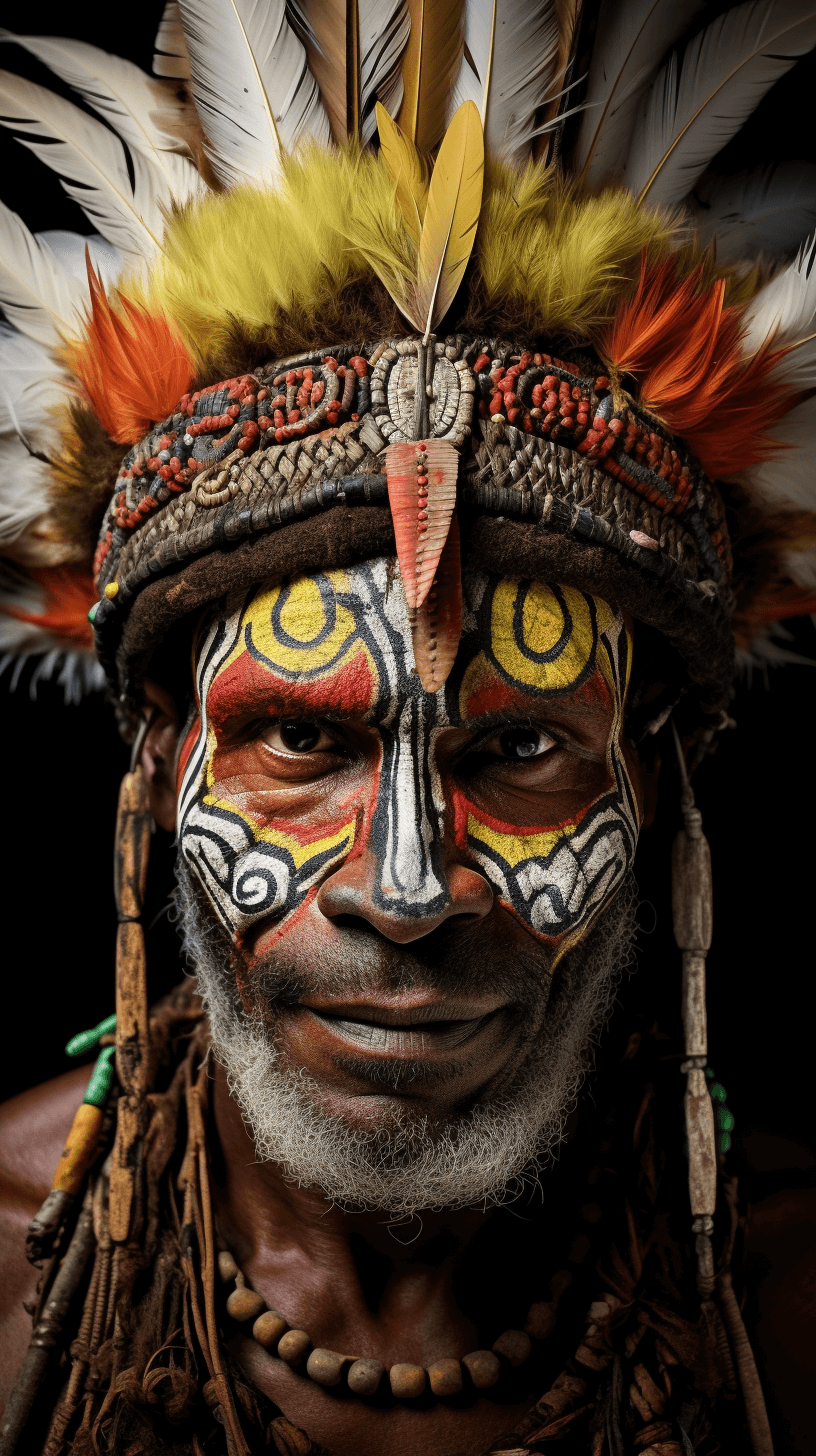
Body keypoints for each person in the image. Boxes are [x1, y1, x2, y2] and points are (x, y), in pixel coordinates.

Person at [0, 4, 814, 1452]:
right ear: (160, 752)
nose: (411, 888)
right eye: (302, 743)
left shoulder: (791, 1302)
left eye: (518, 749)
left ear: (657, 769)